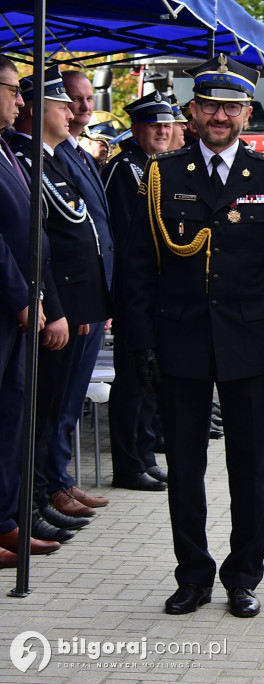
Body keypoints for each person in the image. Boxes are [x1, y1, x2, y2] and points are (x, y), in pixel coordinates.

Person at [124, 54, 264, 618]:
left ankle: (244, 576)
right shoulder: (163, 175)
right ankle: (193, 574)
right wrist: (142, 346)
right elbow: (136, 270)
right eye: (210, 106)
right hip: (179, 341)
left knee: (250, 468)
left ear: (247, 113)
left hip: (249, 343)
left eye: (232, 107)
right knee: (185, 466)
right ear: (193, 111)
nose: (221, 116)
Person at [11, 67, 111, 527]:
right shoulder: (28, 159)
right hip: (51, 306)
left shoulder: (54, 157)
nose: (72, 110)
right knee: (39, 410)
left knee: (57, 408)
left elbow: (85, 232)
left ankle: (45, 488)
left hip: (76, 305)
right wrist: (65, 307)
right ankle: (32, 499)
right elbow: (46, 240)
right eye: (61, 103)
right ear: (36, 108)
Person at [0, 56, 61, 564]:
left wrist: (35, 293)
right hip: (5, 304)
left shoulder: (6, 149)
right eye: (14, 90)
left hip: (20, 303)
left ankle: (3, 520)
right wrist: (20, 294)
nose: (22, 101)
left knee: (13, 417)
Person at [102, 91, 176, 491]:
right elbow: (127, 238)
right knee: (132, 378)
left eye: (167, 125)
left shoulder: (153, 165)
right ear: (136, 128)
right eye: (155, 125)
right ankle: (129, 463)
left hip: (157, 290)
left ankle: (144, 455)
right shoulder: (124, 168)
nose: (163, 131)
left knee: (150, 377)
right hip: (135, 291)